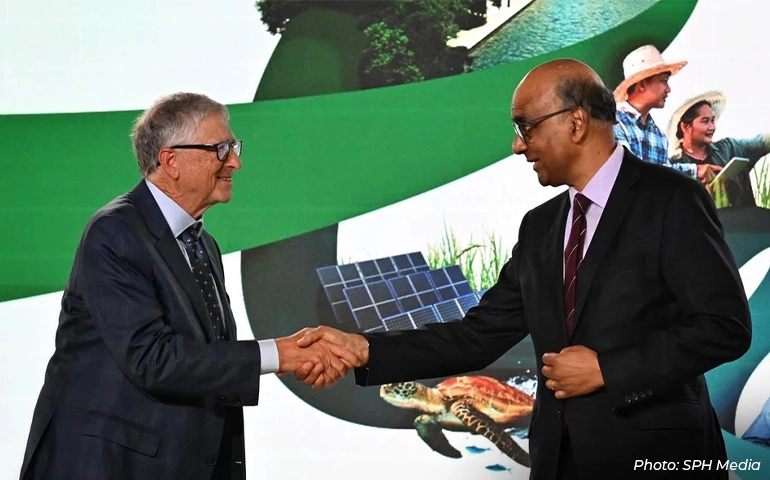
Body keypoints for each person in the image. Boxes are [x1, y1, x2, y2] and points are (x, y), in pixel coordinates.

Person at [296, 59, 752, 479]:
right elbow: (477, 335)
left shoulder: (672, 199)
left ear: (575, 122)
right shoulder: (541, 229)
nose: (517, 145)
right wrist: (362, 348)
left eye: (525, 126)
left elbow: (724, 327)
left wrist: (610, 370)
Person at [19, 93, 360, 480]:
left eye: (233, 147)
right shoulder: (114, 233)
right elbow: (154, 359)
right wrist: (280, 355)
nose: (235, 161)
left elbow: (207, 357)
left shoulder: (202, 245)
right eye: (221, 148)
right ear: (170, 161)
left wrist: (291, 355)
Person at [613, 45, 715, 183]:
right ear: (642, 84)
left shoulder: (658, 134)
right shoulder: (614, 123)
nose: (668, 89)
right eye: (664, 81)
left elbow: (664, 170)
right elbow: (628, 172)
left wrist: (697, 171)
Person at [667, 90, 770, 208]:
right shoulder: (675, 166)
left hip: (743, 223)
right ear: (686, 127)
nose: (712, 127)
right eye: (705, 121)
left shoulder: (730, 148)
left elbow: (762, 142)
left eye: (712, 121)